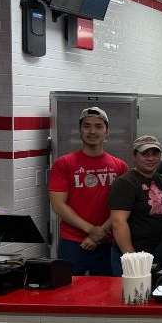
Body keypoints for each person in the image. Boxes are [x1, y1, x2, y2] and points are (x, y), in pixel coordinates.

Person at [47, 107, 128, 276]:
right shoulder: (63, 164)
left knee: (107, 290)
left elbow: (123, 207)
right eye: (87, 126)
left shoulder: (120, 166)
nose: (92, 131)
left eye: (98, 126)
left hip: (108, 242)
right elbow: (58, 205)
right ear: (80, 130)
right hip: (72, 242)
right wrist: (91, 230)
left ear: (106, 131)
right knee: (68, 288)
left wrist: (100, 233)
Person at [108, 135, 162, 271]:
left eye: (155, 154)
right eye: (145, 154)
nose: (150, 158)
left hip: (159, 254)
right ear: (134, 155)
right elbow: (118, 222)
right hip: (134, 254)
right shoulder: (125, 182)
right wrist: (132, 258)